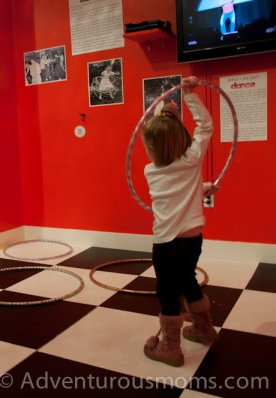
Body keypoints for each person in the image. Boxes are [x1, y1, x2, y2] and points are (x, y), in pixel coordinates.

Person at [140, 76, 219, 367]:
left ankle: (170, 347)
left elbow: (174, 192)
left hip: (166, 243)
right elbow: (206, 127)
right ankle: (203, 327)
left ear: (153, 148)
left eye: (148, 145)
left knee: (168, 290)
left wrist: (200, 186)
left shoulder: (151, 171)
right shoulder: (192, 161)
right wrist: (189, 95)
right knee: (188, 279)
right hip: (193, 238)